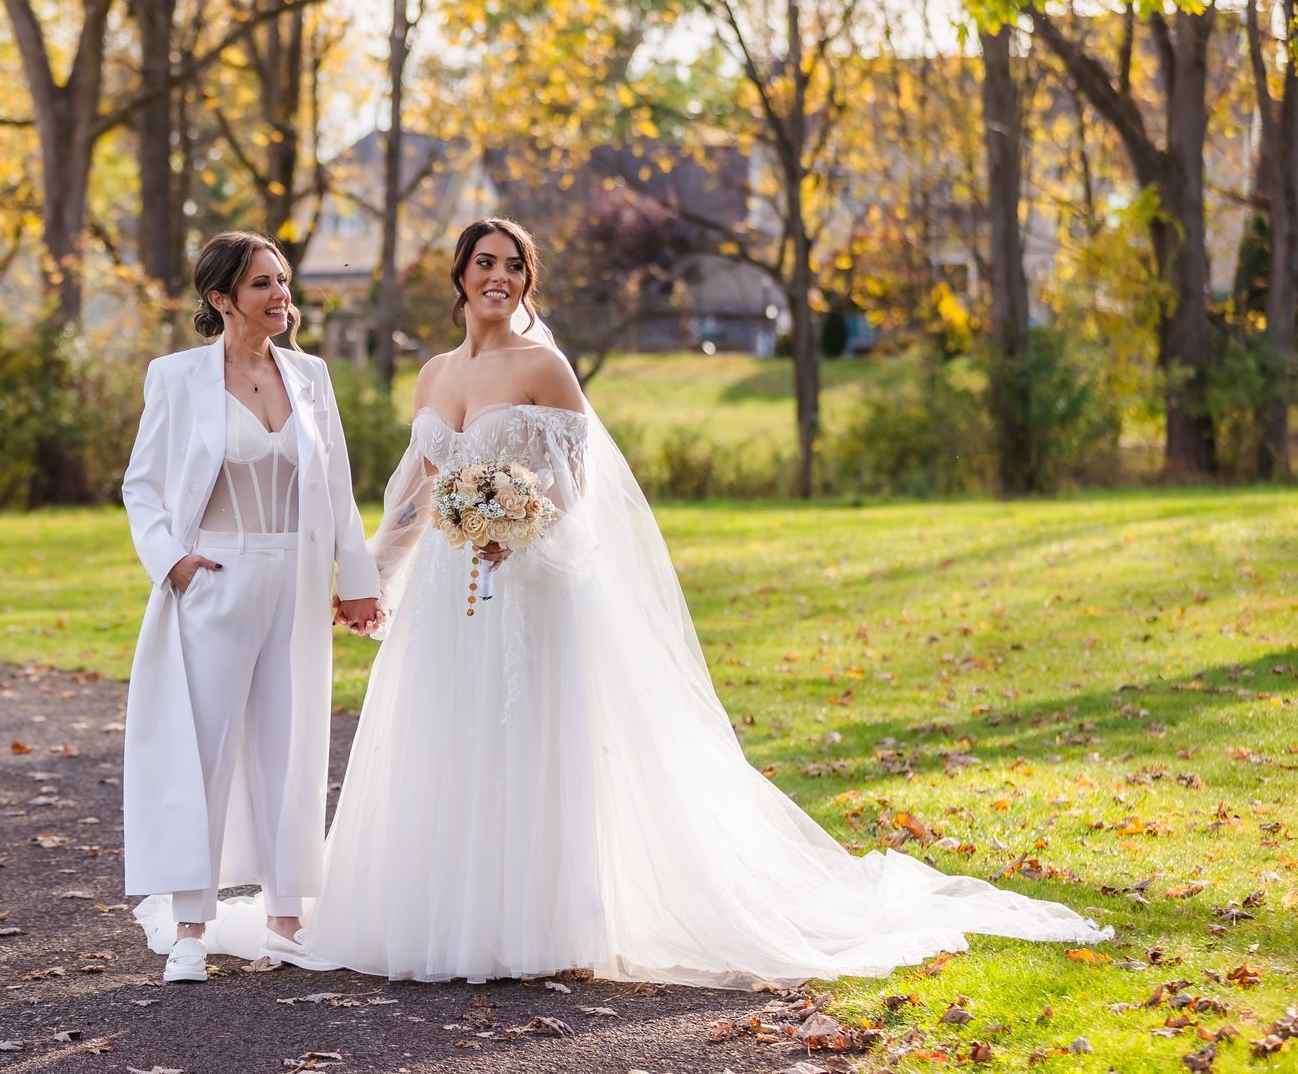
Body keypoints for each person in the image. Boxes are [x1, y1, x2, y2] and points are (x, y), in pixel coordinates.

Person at [146, 217, 1110, 986]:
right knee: (446, 740)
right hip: (446, 593)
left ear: (527, 284)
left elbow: (574, 488)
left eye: (515, 268)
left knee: (524, 745)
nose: (501, 279)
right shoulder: (437, 375)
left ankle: (537, 923)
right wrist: (371, 580)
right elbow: (409, 495)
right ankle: (437, 913)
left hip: (527, 586)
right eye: (486, 263)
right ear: (460, 276)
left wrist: (512, 522)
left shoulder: (546, 368)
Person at [120, 231, 382, 985]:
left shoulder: (310, 376)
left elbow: (335, 486)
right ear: (221, 298)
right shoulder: (176, 378)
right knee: (204, 747)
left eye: (284, 281)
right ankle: (191, 929)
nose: (281, 296)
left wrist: (356, 576)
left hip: (294, 578)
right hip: (215, 574)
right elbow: (142, 485)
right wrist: (173, 563)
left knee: (292, 743)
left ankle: (286, 919)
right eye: (264, 284)